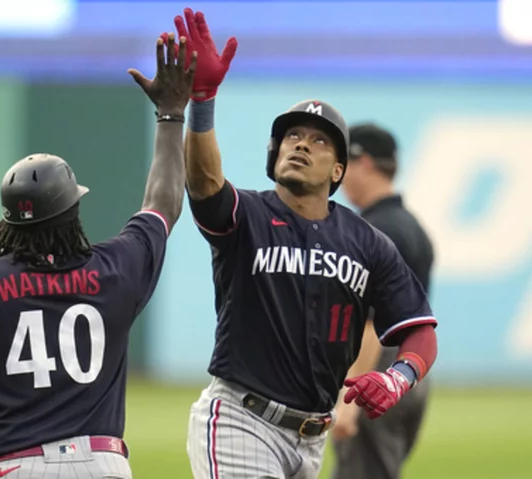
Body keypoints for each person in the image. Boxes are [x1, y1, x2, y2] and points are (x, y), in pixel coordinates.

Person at [0, 33, 197, 479]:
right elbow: (163, 203)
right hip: (102, 464)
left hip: (11, 466)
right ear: (73, 213)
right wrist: (171, 113)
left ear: (8, 223)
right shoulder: (116, 269)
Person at [164, 8, 440, 479]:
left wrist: (398, 376)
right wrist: (204, 102)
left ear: (338, 171)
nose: (301, 144)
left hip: (311, 437)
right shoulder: (247, 215)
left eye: (319, 141)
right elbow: (205, 182)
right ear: (274, 155)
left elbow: (420, 331)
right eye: (292, 135)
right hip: (241, 420)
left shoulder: (367, 241)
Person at [331, 123, 435, 479]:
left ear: (365, 164)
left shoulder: (376, 231)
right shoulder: (411, 226)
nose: (340, 175)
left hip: (377, 372)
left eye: (345, 163)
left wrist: (351, 403)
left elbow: (372, 323)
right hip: (409, 376)